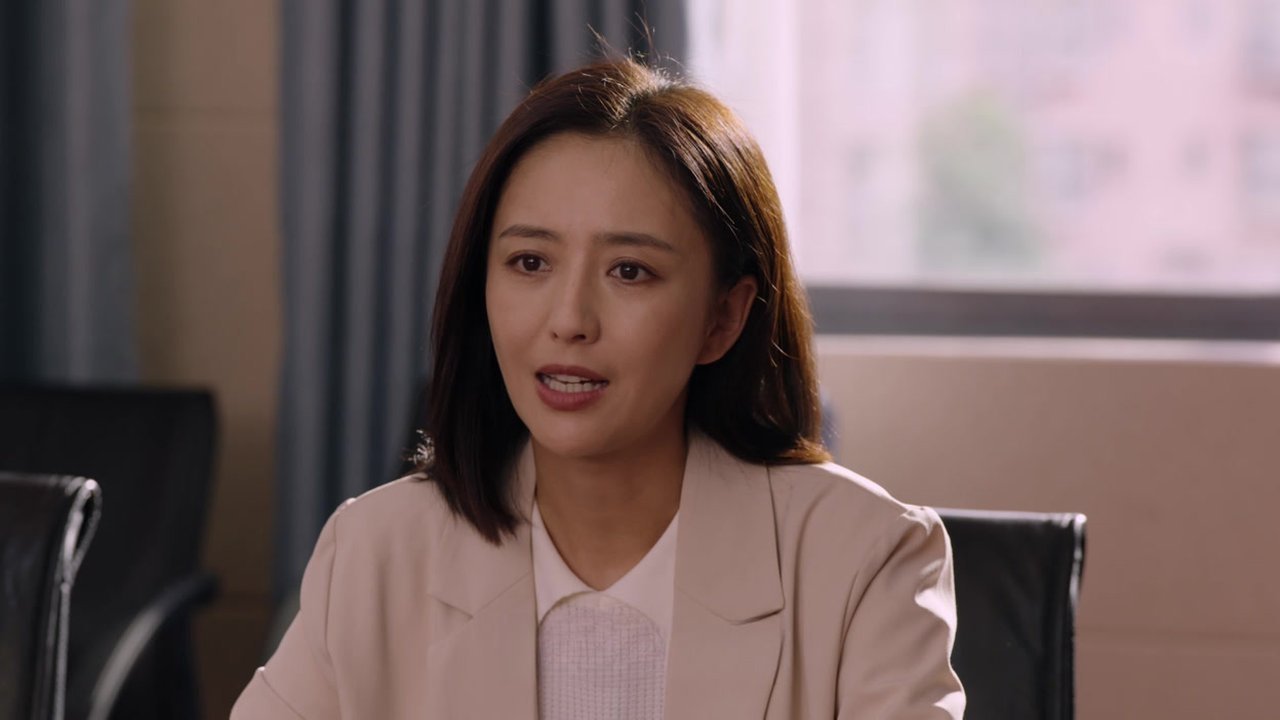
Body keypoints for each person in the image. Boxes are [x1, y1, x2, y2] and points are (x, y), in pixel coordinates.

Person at [232, 56, 965, 719]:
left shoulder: (867, 559)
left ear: (723, 318)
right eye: (529, 263)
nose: (569, 321)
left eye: (629, 271)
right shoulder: (376, 550)